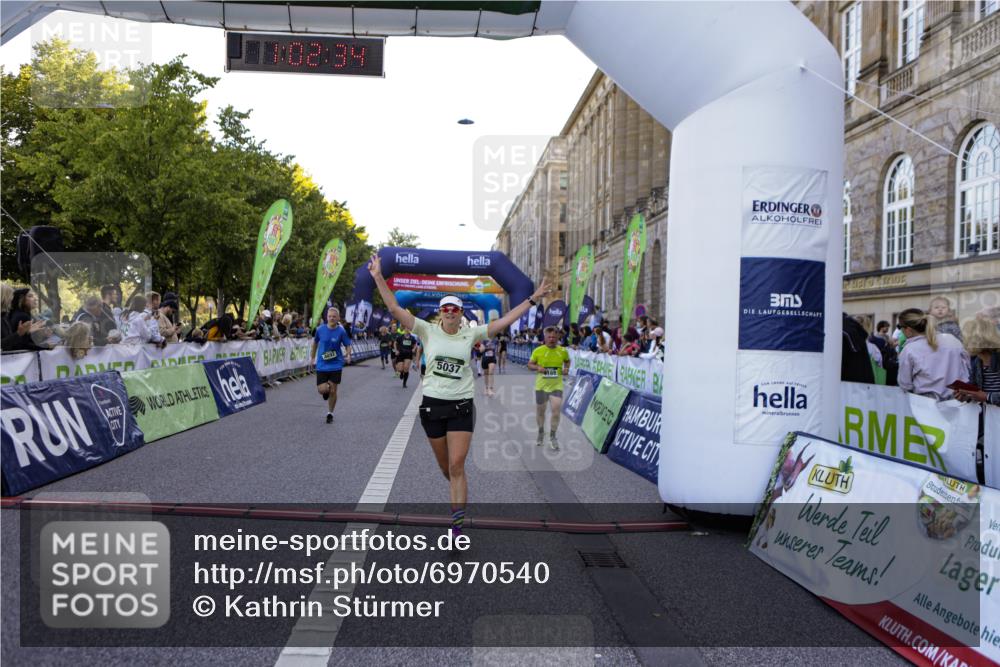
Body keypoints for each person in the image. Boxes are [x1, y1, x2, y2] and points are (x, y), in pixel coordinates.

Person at [369, 253, 549, 538]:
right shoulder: (426, 331)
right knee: (446, 468)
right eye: (446, 308)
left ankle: (456, 527)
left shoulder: (472, 334)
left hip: (462, 405)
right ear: (441, 313)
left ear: (460, 312)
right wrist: (378, 275)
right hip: (432, 407)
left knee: (456, 464)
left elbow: (505, 320)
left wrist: (533, 299)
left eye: (455, 308)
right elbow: (393, 308)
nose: (451, 312)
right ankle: (457, 491)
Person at [896, 308, 969, 400]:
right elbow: (968, 370)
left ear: (908, 329)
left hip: (925, 405)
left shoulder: (909, 349)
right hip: (958, 402)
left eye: (900, 327)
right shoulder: (953, 340)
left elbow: (905, 384)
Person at [527, 326, 571, 450]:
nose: (551, 339)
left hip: (556, 385)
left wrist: (566, 368)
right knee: (541, 412)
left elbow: (567, 361)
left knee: (556, 411)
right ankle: (541, 432)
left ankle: (553, 436)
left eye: (554, 337)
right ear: (545, 337)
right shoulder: (538, 351)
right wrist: (538, 368)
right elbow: (529, 365)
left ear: (558, 337)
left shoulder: (562, 351)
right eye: (549, 337)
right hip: (541, 386)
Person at [311, 306, 352, 423]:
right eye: (330, 316)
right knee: (321, 390)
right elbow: (315, 344)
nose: (332, 318)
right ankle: (326, 391)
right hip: (322, 364)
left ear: (338, 317)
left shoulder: (341, 331)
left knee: (333, 390)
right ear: (326, 317)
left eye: (334, 316)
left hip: (336, 364)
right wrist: (312, 357)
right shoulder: (320, 330)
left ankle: (330, 413)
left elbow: (348, 344)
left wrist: (348, 355)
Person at [954, 317, 1000, 407]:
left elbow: (984, 395)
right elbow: (977, 389)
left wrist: (987, 397)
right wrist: (966, 395)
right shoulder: (977, 360)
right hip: (989, 415)